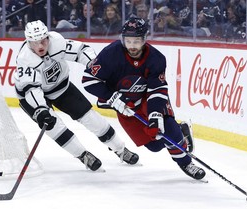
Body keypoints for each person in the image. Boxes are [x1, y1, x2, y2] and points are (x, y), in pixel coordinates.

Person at [82, 17, 206, 180]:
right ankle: (182, 131)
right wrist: (112, 97)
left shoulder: (156, 58)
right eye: (128, 41)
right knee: (154, 145)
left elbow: (157, 89)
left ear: (144, 39)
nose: (132, 46)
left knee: (166, 127)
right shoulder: (110, 54)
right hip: (124, 106)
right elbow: (88, 80)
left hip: (148, 99)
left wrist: (155, 115)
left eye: (136, 41)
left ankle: (186, 162)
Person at [14, 20, 139, 172]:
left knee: (92, 118)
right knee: (55, 128)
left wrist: (94, 65)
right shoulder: (25, 60)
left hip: (61, 87)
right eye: (35, 43)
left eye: (43, 41)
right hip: (31, 97)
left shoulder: (57, 42)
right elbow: (32, 89)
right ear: (28, 42)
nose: (40, 46)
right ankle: (83, 155)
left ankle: (120, 150)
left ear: (47, 37)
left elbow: (81, 50)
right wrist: (41, 109)